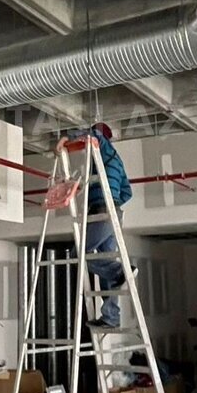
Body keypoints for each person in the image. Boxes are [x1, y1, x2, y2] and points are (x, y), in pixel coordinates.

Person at [57, 122, 134, 328]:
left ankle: (120, 272)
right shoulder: (116, 161)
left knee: (78, 254)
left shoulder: (104, 148)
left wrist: (67, 137)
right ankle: (111, 317)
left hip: (102, 212)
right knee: (106, 261)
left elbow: (94, 134)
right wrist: (112, 200)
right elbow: (128, 192)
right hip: (113, 213)